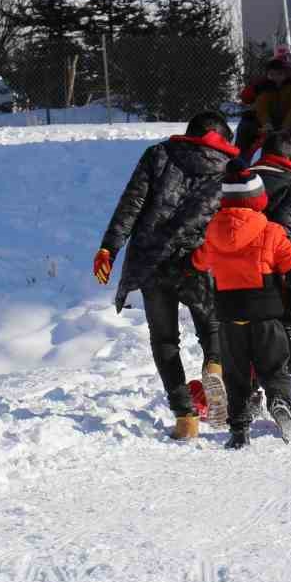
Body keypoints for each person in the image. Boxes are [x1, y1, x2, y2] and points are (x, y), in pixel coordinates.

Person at [94, 111, 236, 440]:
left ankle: (185, 417)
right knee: (211, 325)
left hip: (151, 258)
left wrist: (109, 248)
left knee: (165, 339)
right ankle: (214, 365)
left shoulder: (158, 154)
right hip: (199, 259)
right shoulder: (229, 168)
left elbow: (132, 202)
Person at [191, 165, 291, 449]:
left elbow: (199, 263)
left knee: (235, 376)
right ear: (259, 199)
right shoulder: (271, 232)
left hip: (229, 320)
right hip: (267, 318)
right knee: (276, 368)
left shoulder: (214, 231)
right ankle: (279, 402)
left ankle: (239, 431)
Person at [249, 131, 291, 383]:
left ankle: (250, 386)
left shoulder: (246, 181)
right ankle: (284, 382)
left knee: (251, 326)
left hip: (243, 268)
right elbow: (288, 228)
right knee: (287, 324)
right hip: (279, 266)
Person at [236, 57, 291, 168]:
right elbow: (258, 107)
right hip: (263, 122)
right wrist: (267, 124)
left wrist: (285, 127)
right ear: (267, 74)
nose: (276, 78)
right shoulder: (262, 86)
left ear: (286, 74)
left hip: (289, 122)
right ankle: (241, 160)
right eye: (272, 74)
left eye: (279, 74)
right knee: (245, 126)